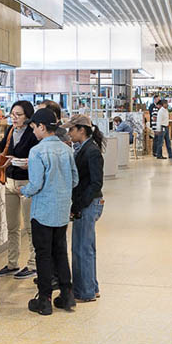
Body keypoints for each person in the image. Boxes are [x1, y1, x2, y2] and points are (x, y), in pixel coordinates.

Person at [22, 108, 79, 316]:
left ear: (42, 127)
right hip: (62, 210)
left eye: (34, 127)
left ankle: (44, 300)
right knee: (60, 252)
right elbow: (75, 180)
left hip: (43, 211)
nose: (33, 131)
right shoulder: (66, 149)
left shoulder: (37, 151)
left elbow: (36, 184)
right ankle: (67, 295)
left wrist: (23, 190)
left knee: (43, 255)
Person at [0, 100, 39, 280]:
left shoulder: (33, 133)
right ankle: (12, 263)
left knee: (29, 226)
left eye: (18, 115)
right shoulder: (10, 131)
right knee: (12, 226)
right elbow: (2, 149)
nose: (14, 117)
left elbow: (36, 158)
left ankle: (33, 264)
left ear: (27, 116)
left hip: (27, 182)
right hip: (10, 181)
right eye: (12, 114)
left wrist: (22, 161)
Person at [65, 114, 105, 303]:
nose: (69, 133)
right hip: (85, 203)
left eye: (71, 129)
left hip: (88, 203)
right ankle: (91, 287)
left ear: (82, 130)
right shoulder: (82, 148)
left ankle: (86, 291)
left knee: (82, 248)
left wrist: (79, 204)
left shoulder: (91, 151)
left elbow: (96, 183)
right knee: (85, 247)